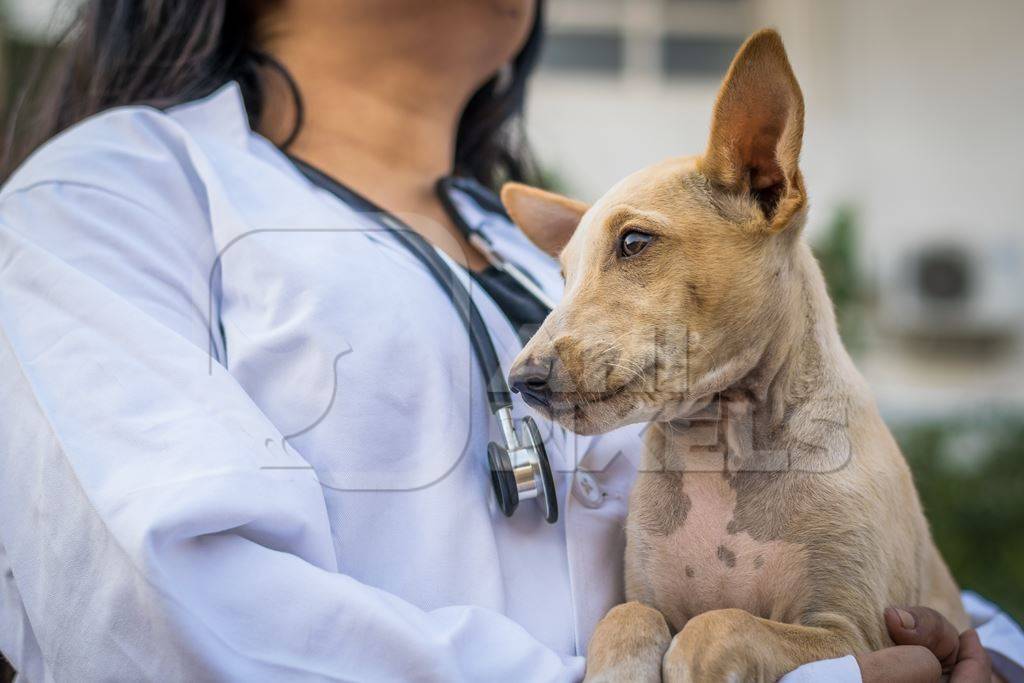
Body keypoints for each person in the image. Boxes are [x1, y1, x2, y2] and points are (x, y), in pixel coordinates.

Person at [0, 1, 1020, 681]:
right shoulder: (103, 198)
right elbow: (162, 609)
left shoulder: (544, 254)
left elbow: (855, 544)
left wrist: (983, 652)